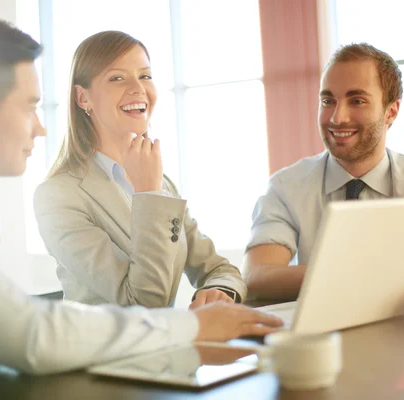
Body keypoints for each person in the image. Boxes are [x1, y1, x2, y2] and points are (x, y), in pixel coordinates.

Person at [0, 14, 282, 399]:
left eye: (145, 75)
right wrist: (192, 324)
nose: (39, 126)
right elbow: (27, 335)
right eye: (28, 106)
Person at [244, 43, 404, 323]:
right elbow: (257, 274)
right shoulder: (287, 186)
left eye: (357, 101)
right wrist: (353, 274)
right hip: (321, 341)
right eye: (327, 100)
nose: (336, 117)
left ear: (391, 112)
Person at [33, 31, 246, 309]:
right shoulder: (58, 196)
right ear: (83, 97)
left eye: (145, 76)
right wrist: (149, 193)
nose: (138, 88)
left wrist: (220, 290)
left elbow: (221, 269)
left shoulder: (161, 182)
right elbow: (144, 303)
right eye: (117, 78)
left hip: (165, 346)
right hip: (106, 351)